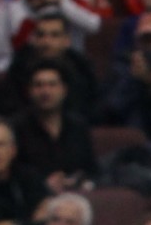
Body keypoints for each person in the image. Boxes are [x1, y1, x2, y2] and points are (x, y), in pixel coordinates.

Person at [10, 59, 99, 193]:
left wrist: (77, 180)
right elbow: (11, 175)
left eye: (52, 85)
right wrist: (42, 184)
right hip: (32, 199)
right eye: (38, 85)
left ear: (64, 90)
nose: (45, 91)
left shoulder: (78, 126)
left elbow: (91, 169)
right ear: (29, 91)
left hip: (76, 196)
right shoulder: (15, 128)